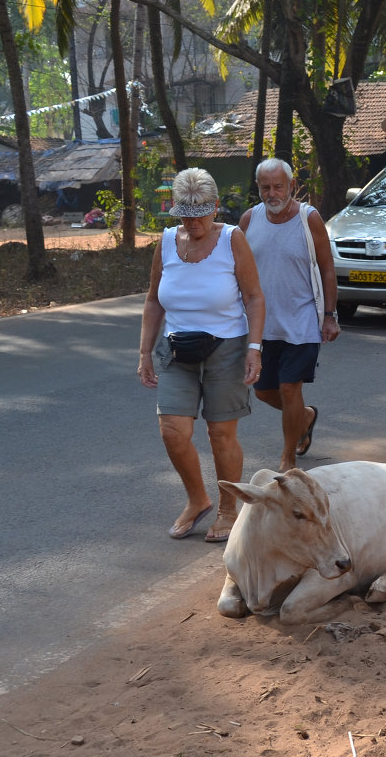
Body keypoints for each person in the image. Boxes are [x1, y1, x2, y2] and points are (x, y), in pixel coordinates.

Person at [138, 168, 265, 542]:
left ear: (215, 209)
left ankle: (228, 509)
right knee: (172, 431)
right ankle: (198, 499)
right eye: (186, 216)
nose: (193, 223)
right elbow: (152, 300)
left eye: (200, 215)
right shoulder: (165, 242)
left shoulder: (232, 239)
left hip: (227, 347)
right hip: (177, 347)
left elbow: (254, 297)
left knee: (221, 434)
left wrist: (254, 349)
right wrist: (145, 351)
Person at [239, 158, 340, 471]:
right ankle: (305, 417)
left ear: (292, 186)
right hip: (261, 325)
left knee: (288, 387)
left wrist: (329, 314)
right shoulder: (248, 220)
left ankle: (288, 457)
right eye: (265, 187)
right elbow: (235, 269)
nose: (272, 193)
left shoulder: (309, 219)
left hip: (302, 320)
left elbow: (326, 268)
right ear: (258, 188)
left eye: (278, 186)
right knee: (264, 390)